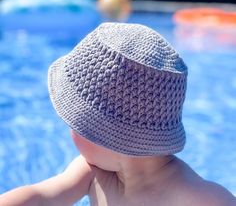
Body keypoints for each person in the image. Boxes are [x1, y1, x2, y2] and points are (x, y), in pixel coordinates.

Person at [0, 23, 235, 206]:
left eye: (73, 123)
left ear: (100, 134)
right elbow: (41, 198)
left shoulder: (198, 197)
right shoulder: (91, 172)